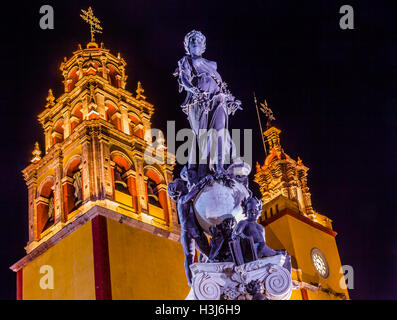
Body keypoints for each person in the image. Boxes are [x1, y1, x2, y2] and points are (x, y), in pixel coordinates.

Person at [174, 30, 242, 178]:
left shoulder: (212, 64)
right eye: (193, 41)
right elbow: (184, 79)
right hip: (199, 102)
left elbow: (220, 84)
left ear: (203, 46)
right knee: (204, 137)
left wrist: (230, 100)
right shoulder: (185, 61)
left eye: (199, 41)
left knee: (220, 132)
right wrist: (194, 90)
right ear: (188, 46)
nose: (196, 43)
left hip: (218, 100)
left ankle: (219, 168)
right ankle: (204, 169)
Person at [167, 174, 214, 286]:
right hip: (189, 233)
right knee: (190, 256)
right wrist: (204, 181)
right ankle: (191, 282)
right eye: (183, 186)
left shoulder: (186, 200)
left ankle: (207, 272)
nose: (185, 186)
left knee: (208, 254)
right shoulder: (182, 200)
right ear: (178, 191)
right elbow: (194, 191)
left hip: (196, 232)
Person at [232, 197, 291, 271]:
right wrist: (245, 241)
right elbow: (235, 236)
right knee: (262, 245)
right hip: (251, 251)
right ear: (246, 211)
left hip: (262, 251)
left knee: (287, 256)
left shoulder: (261, 227)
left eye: (255, 210)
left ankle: (286, 279)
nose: (253, 212)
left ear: (259, 211)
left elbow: (264, 243)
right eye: (250, 210)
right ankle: (276, 252)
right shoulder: (244, 223)